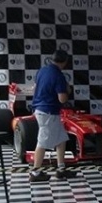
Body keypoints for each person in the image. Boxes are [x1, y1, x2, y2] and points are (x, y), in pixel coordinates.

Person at [29, 49, 76, 182]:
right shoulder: (58, 76)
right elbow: (62, 99)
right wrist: (68, 91)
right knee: (42, 141)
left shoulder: (42, 70)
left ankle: (61, 169)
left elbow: (35, 88)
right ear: (65, 62)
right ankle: (35, 172)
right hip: (48, 111)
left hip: (41, 109)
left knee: (61, 138)